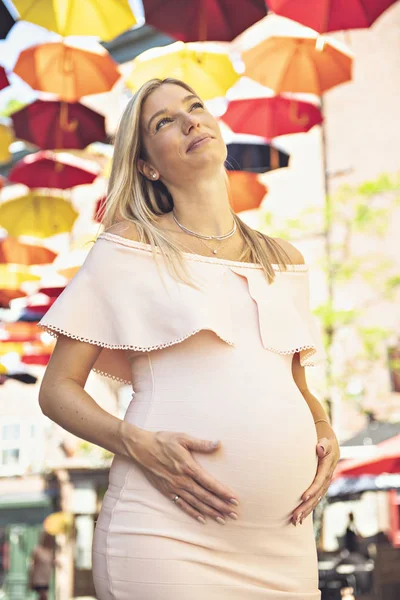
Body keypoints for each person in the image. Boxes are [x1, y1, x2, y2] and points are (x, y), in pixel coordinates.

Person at [38, 78, 340, 599]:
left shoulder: (284, 259)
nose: (189, 121)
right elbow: (58, 388)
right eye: (164, 122)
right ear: (147, 165)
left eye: (195, 107)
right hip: (165, 533)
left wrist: (323, 430)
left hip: (284, 543)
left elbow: (293, 381)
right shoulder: (128, 247)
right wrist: (138, 444)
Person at [28, 532, 55, 600]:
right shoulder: (37, 551)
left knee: (42, 597)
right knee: (44, 596)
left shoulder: (49, 551)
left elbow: (51, 562)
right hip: (38, 579)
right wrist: (31, 579)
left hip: (46, 578)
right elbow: (32, 565)